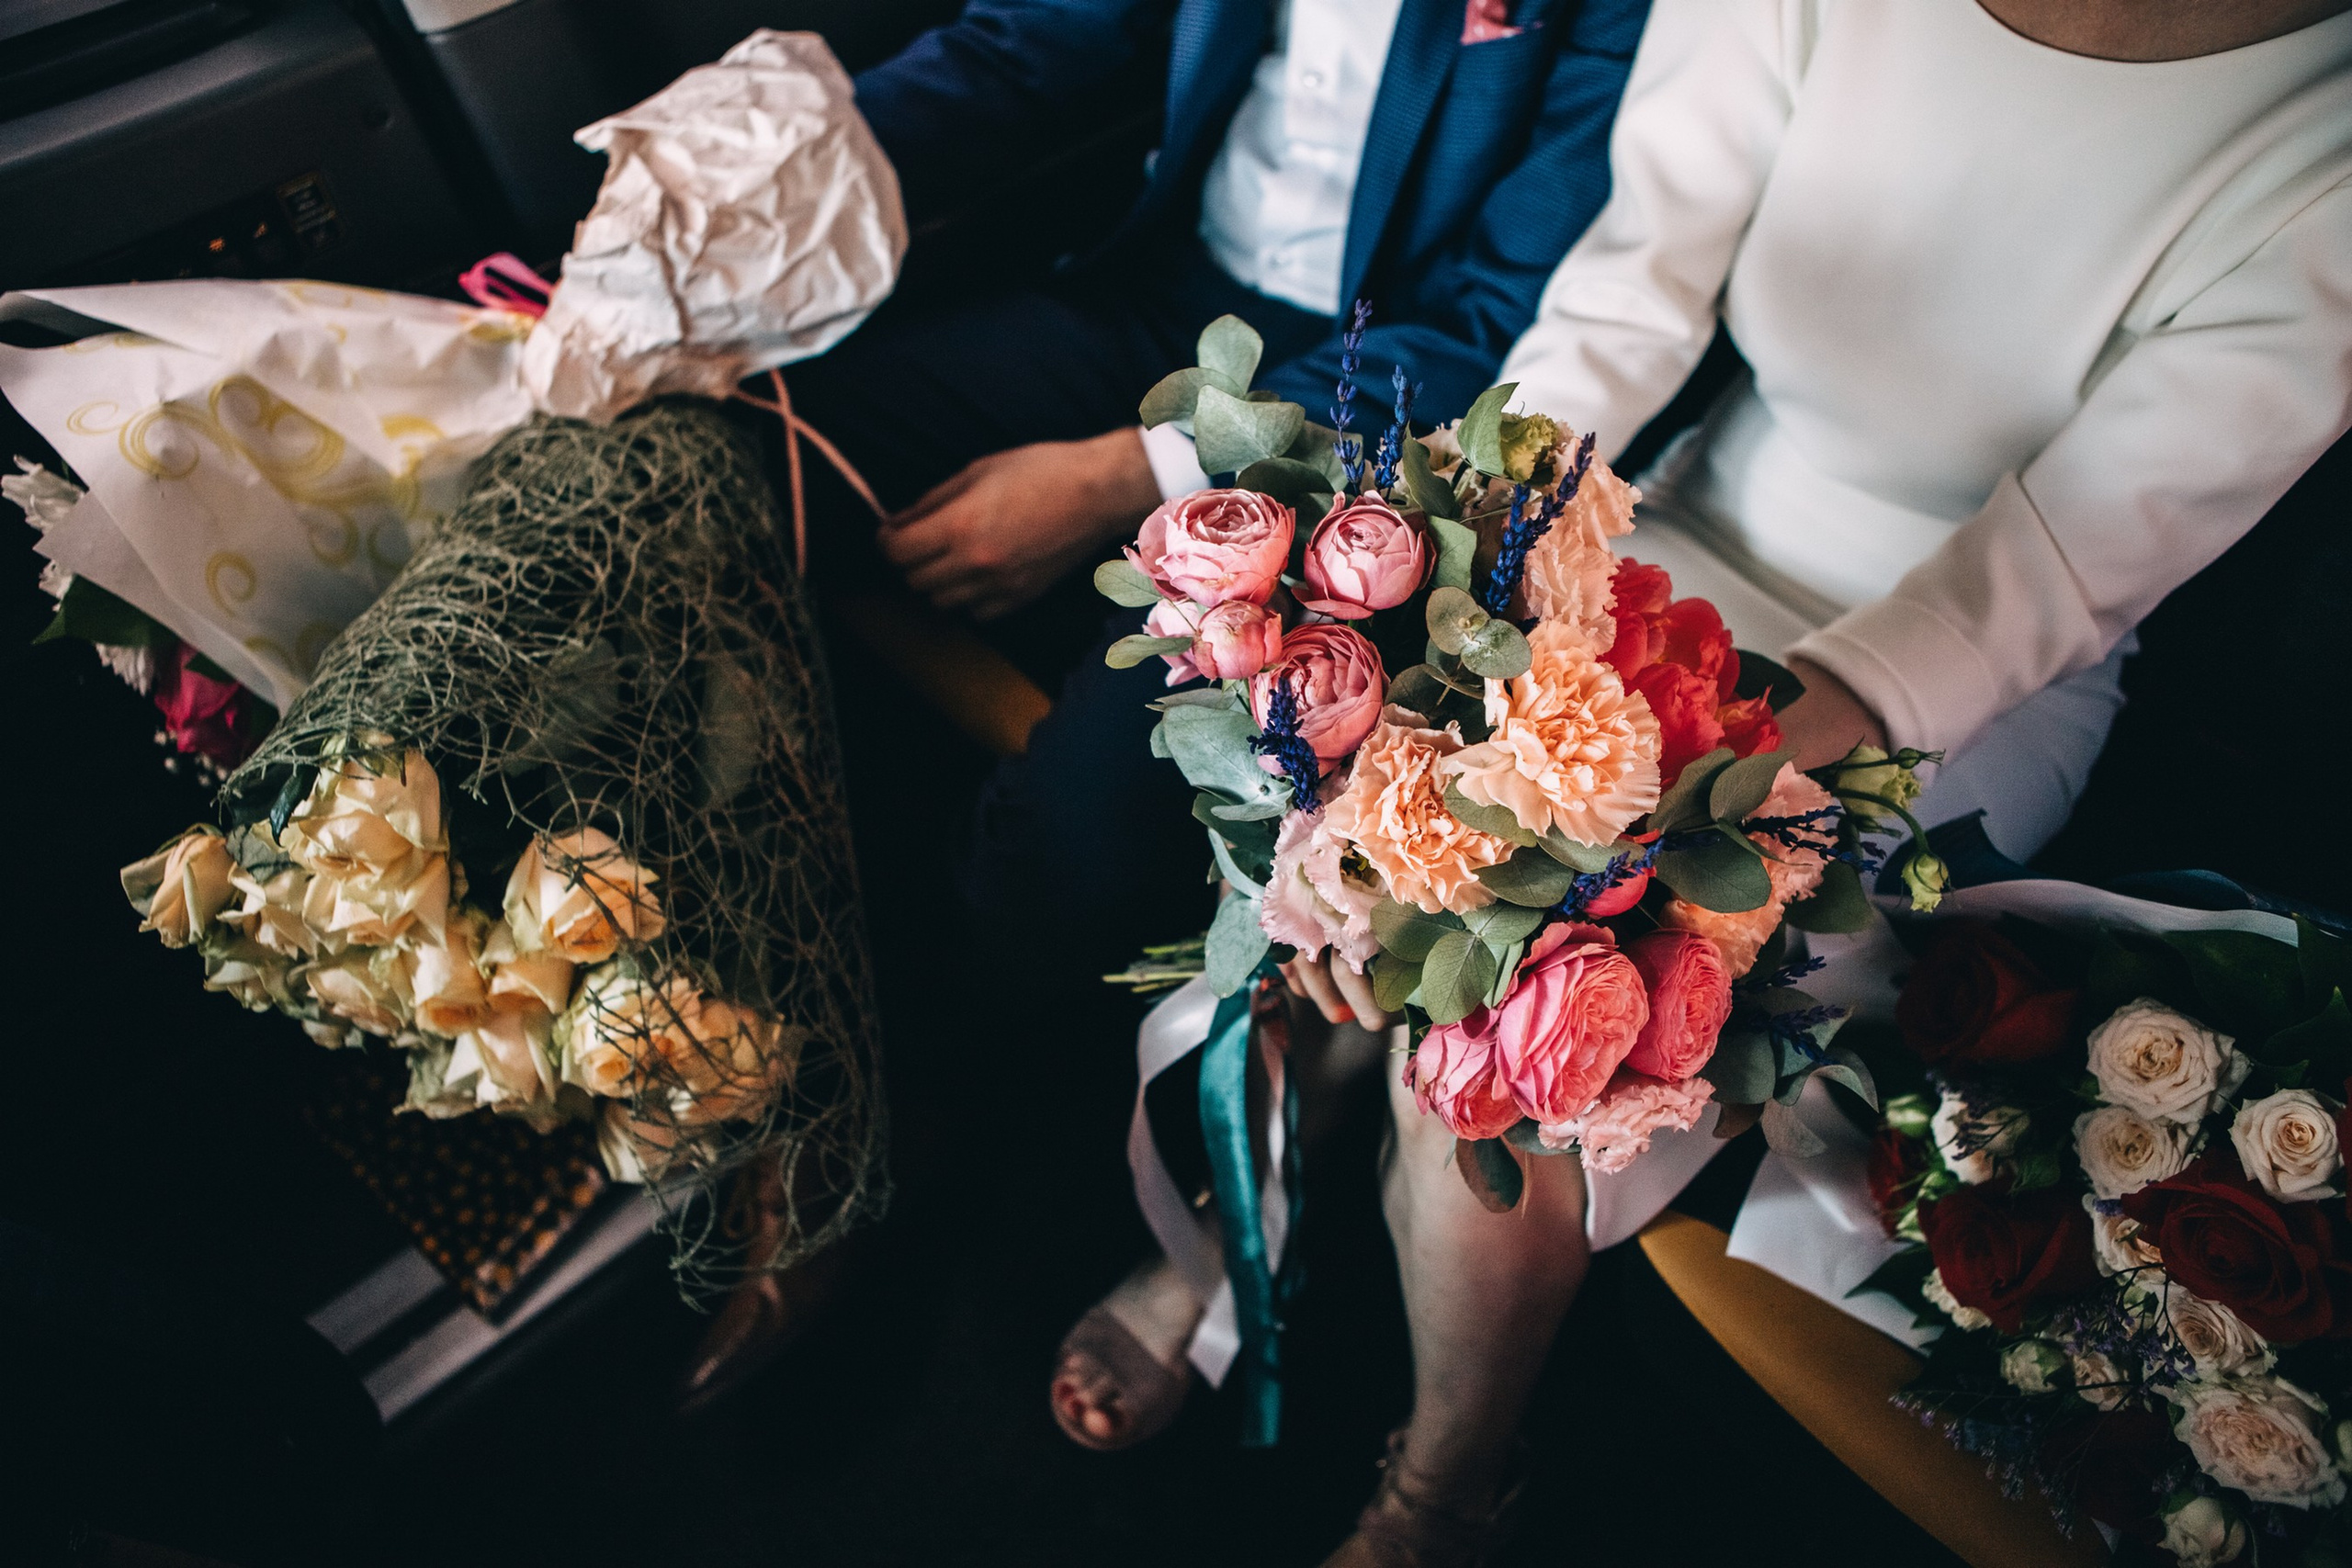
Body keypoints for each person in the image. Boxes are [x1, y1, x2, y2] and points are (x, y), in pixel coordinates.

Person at [1064, 3, 2352, 1563]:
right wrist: (1460, 605)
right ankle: (1238, 1227)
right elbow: (1628, 296)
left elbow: (2049, 569)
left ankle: (1442, 1489)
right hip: (1683, 525)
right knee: (1370, 839)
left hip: (1965, 670)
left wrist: (1628, 797)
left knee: (1532, 1019)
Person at [683, 0, 1655, 1406]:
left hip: (1374, 403)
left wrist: (1123, 475)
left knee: (1079, 823)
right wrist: (743, 177)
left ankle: (906, 1110)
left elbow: (1497, 315)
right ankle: (770, 1038)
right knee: (730, 471)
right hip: (1156, 294)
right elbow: (1035, 41)